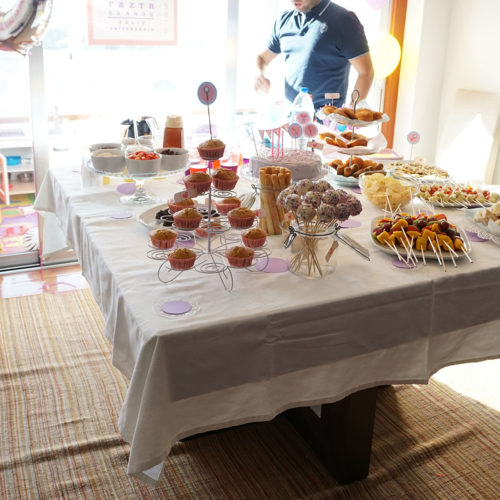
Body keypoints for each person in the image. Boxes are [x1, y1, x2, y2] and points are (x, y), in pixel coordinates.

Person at [255, 0, 374, 111]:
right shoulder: (284, 21)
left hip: (327, 123)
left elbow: (366, 73)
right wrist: (259, 74)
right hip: (291, 121)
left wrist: (351, 114)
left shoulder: (344, 20)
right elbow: (263, 58)